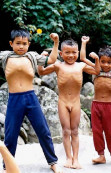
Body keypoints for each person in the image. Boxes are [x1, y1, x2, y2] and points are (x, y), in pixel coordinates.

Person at [0, 29, 62, 173]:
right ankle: (7, 165)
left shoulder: (32, 56)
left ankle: (53, 162)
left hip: (30, 97)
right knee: (10, 135)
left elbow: (51, 60)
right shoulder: (5, 56)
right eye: (18, 43)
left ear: (29, 44)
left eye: (24, 43)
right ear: (11, 43)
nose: (21, 46)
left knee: (43, 130)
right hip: (14, 99)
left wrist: (56, 42)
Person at [38, 39, 100, 169]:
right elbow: (42, 72)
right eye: (67, 52)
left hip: (76, 103)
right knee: (66, 131)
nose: (71, 55)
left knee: (75, 131)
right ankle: (68, 158)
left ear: (77, 53)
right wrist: (42, 59)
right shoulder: (58, 65)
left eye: (73, 52)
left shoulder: (80, 66)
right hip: (63, 102)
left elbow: (96, 71)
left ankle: (76, 159)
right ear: (61, 53)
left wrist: (96, 59)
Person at [80, 35, 111, 167]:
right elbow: (83, 58)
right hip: (96, 105)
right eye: (103, 61)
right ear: (99, 60)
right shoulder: (96, 69)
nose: (106, 65)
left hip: (109, 106)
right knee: (96, 130)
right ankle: (101, 155)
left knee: (110, 131)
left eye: (109, 62)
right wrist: (84, 43)